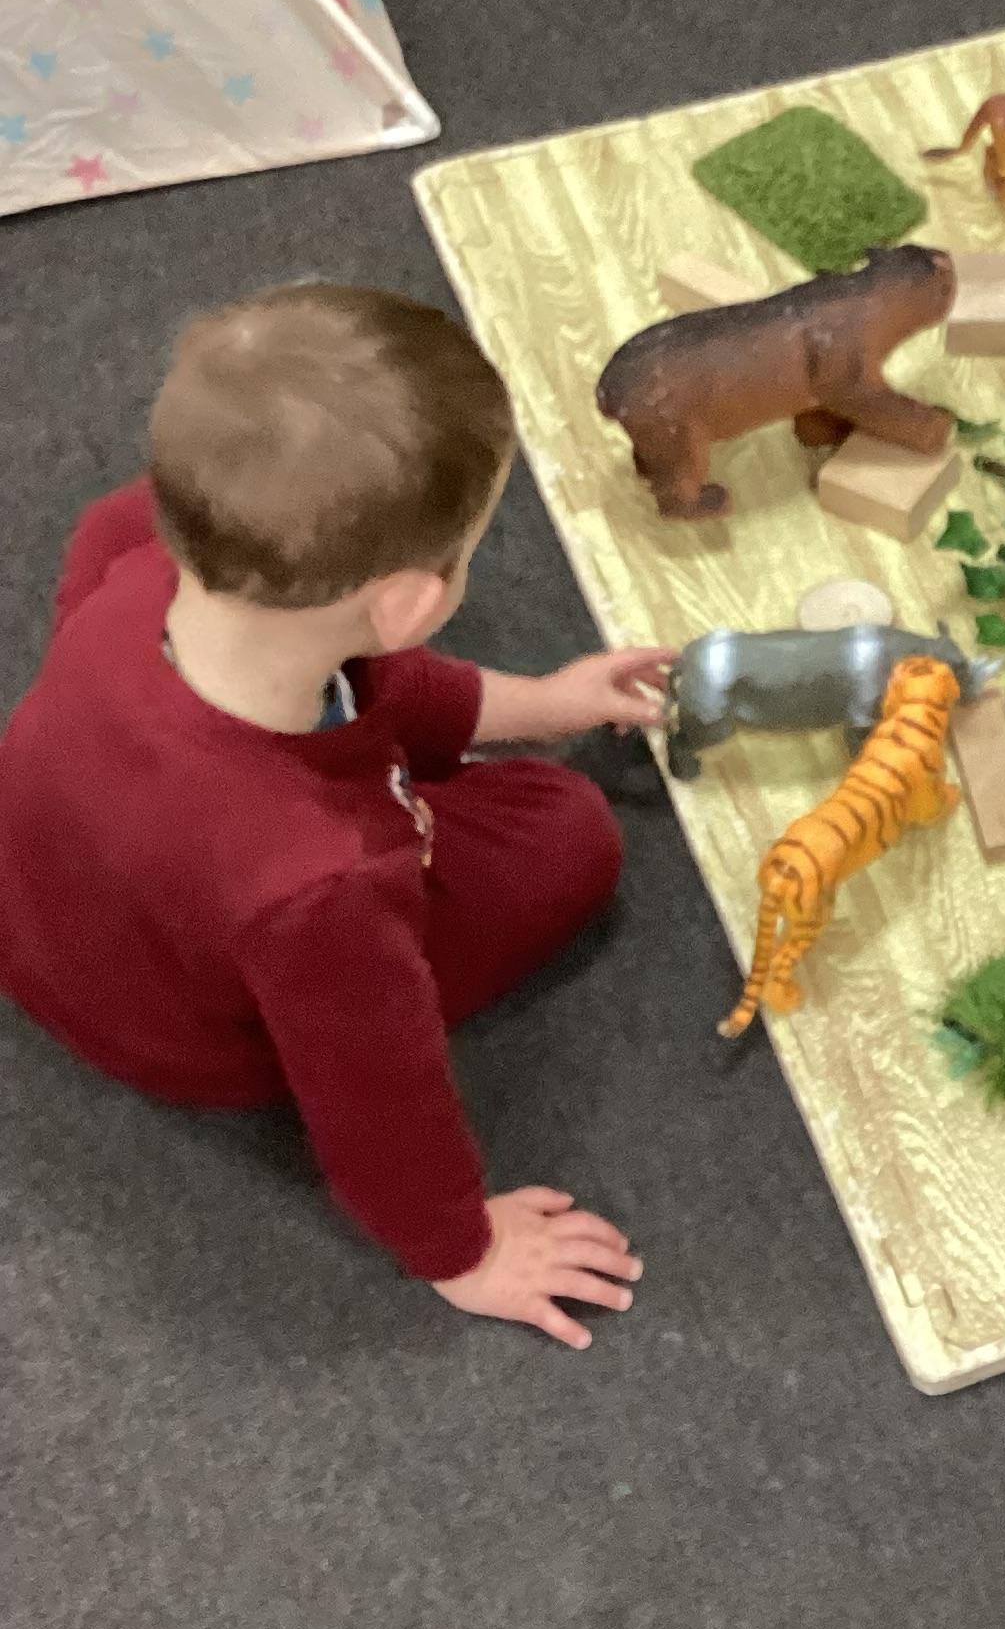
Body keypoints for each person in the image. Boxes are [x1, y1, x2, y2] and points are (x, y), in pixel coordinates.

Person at [0, 284, 676, 1350]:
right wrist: (460, 1249)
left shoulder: (129, 551)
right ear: (408, 605)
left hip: (45, 916)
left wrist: (546, 703)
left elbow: (376, 679)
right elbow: (375, 1093)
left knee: (376, 726)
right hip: (197, 1034)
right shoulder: (322, 886)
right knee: (568, 828)